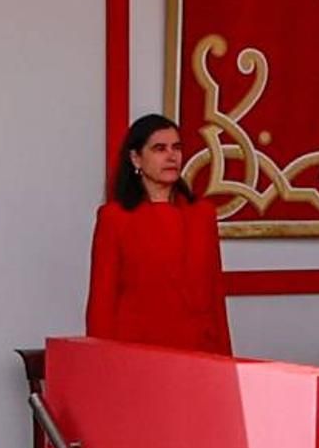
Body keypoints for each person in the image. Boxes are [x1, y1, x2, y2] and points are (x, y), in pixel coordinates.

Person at [85, 114, 232, 354]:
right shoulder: (115, 218)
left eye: (176, 147)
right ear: (136, 158)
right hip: (138, 353)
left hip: (198, 351)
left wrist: (225, 360)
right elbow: (102, 301)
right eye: (159, 149)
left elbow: (215, 295)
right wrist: (102, 361)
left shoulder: (202, 215)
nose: (171, 156)